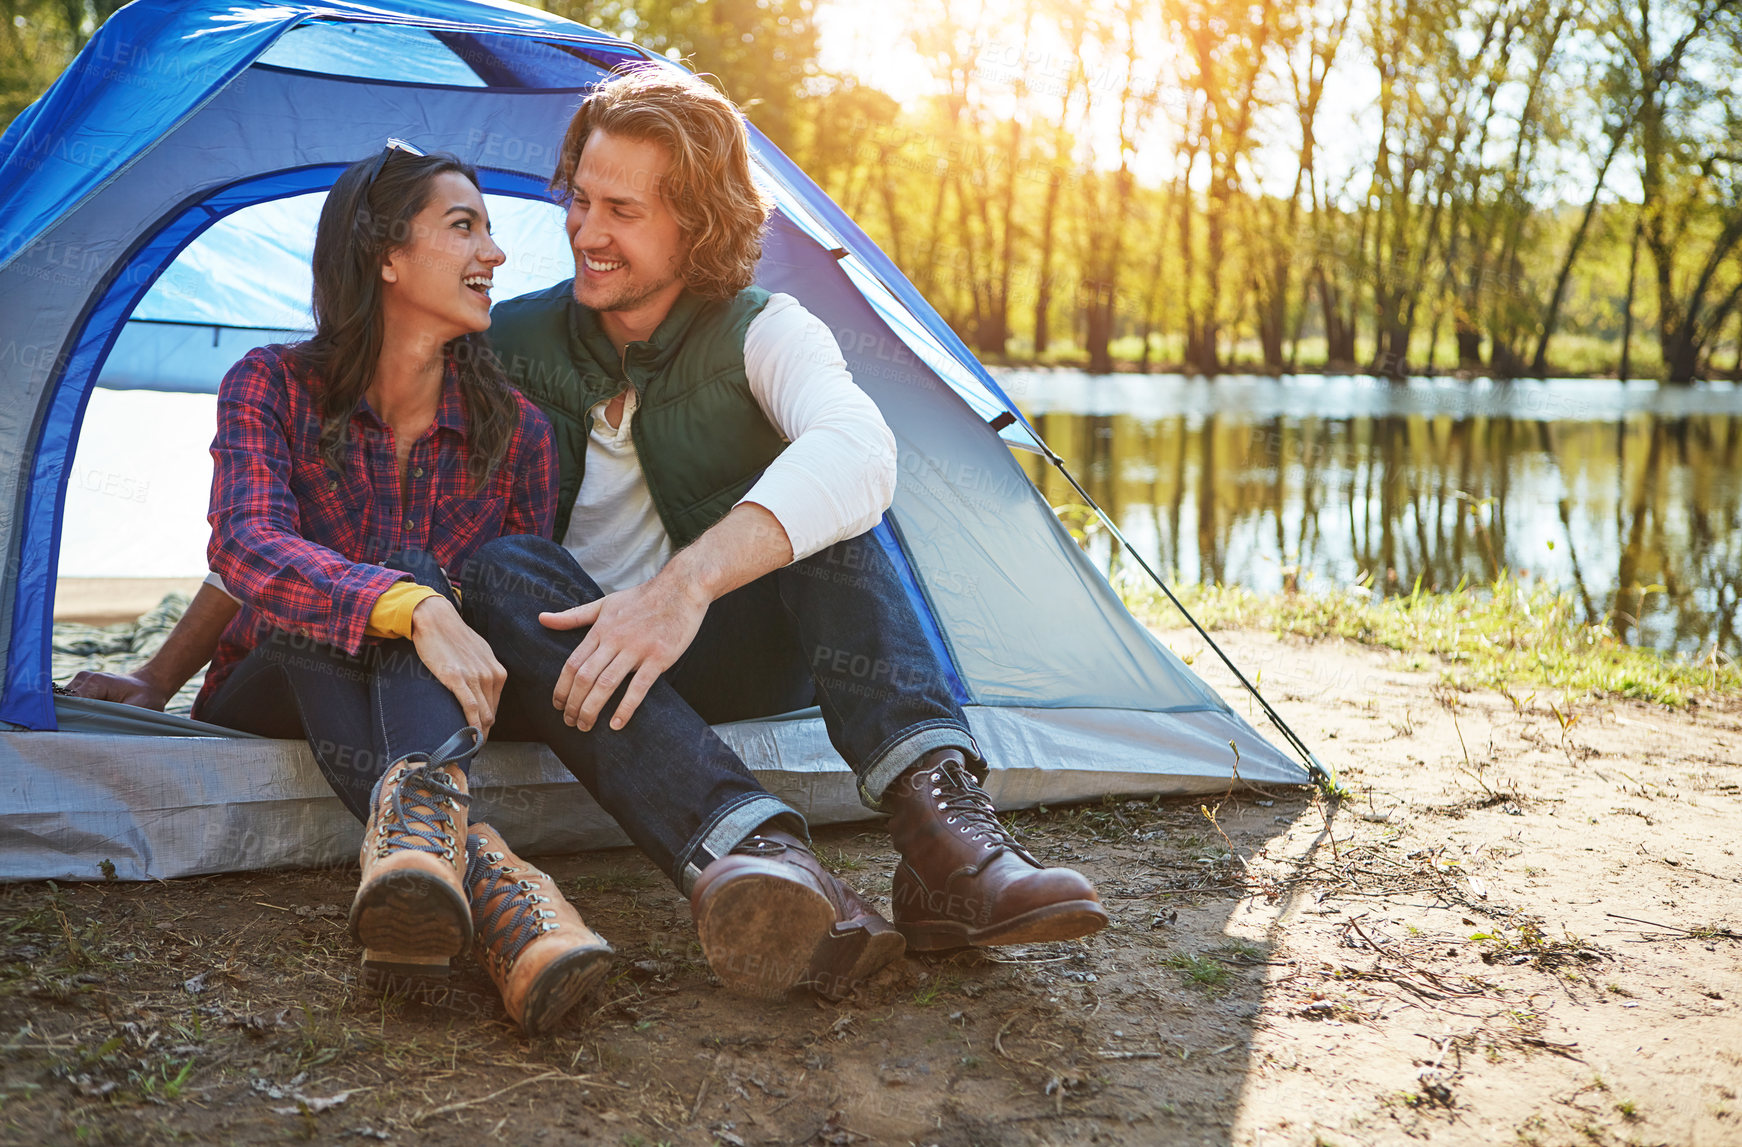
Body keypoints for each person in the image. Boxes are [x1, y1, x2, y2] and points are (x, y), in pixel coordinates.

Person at [72, 66, 1107, 1004]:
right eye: (577, 200)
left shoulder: (708, 349)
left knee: (816, 515)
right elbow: (271, 539)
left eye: (621, 209)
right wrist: (167, 673)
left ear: (692, 226)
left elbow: (852, 452)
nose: (571, 233)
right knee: (456, 572)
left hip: (648, 660)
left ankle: (936, 839)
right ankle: (606, 867)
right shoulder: (391, 362)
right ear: (388, 256)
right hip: (430, 665)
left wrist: (678, 587)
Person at [185, 143, 612, 1034]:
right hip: (274, 681)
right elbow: (249, 545)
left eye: (491, 232)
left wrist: (436, 613)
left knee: (427, 580)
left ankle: (427, 860)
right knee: (403, 573)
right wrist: (413, 605)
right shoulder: (270, 385)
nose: (494, 253)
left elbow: (504, 612)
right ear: (383, 254)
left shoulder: (520, 435)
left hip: (419, 708)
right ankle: (492, 879)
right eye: (465, 227)